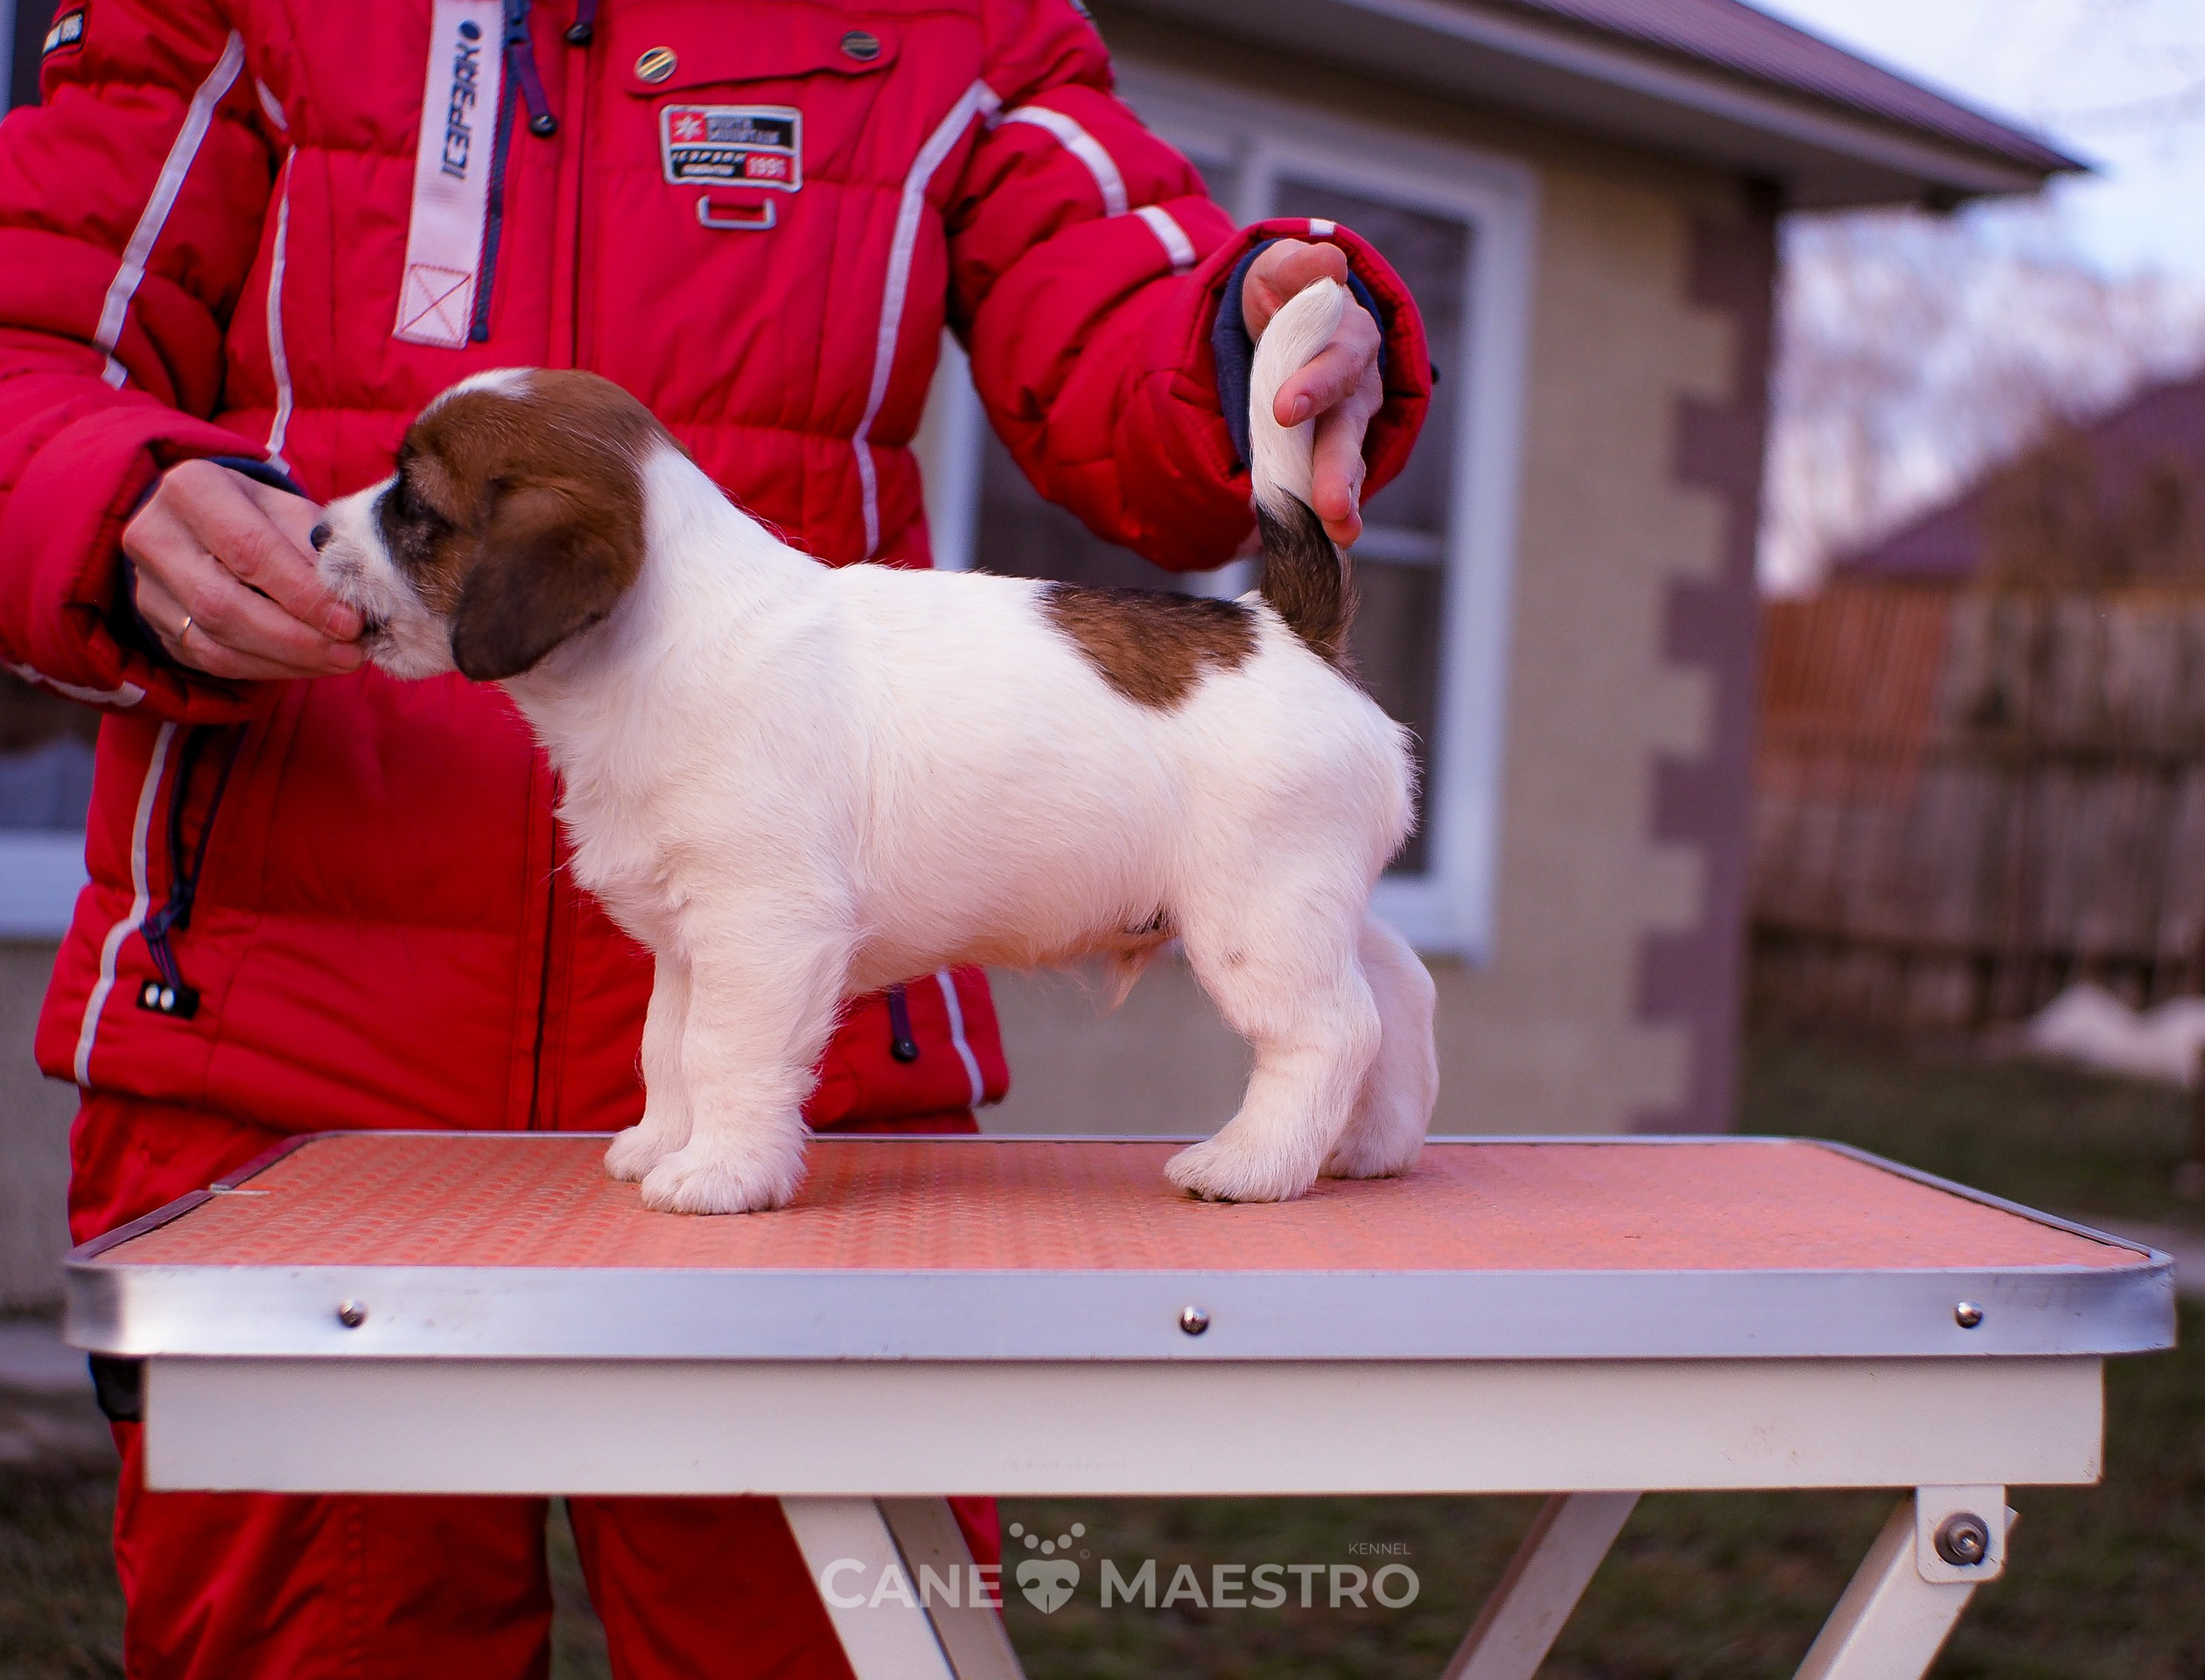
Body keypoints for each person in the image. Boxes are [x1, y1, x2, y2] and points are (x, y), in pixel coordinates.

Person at [0, 1, 1431, 1674]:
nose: (365, 536)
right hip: (286, 1068)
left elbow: (1108, 270)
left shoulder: (959, 22)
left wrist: (1238, 335)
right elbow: (31, 320)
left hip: (847, 1131)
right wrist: (94, 491)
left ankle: (1335, 1079)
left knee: (821, 1636)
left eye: (415, 517)